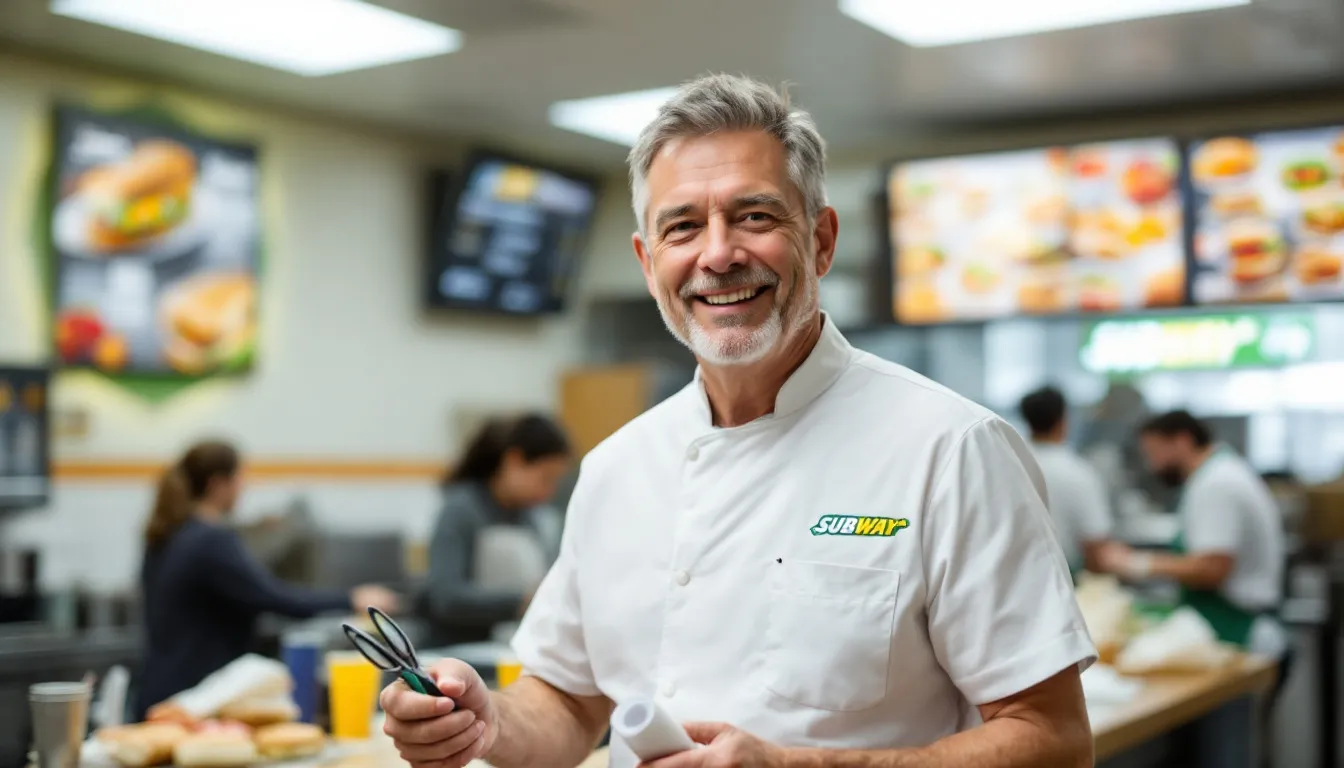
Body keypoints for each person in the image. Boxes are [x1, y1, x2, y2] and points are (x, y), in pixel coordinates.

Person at [381, 74, 1095, 768]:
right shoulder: (615, 469)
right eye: (683, 226)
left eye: (754, 215)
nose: (718, 254)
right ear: (647, 260)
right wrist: (485, 722)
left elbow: (1053, 741)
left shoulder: (952, 450)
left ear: (820, 240)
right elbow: (568, 703)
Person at [135, 440, 399, 719]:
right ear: (217, 484)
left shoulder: (170, 533)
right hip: (193, 699)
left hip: (159, 689)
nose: (243, 487)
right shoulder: (211, 540)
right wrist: (351, 598)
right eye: (239, 478)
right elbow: (276, 598)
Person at [1097, 411, 1287, 656]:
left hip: (1240, 629)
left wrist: (1136, 564)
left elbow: (1212, 568)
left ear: (1182, 441)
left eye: (1154, 453)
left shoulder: (1216, 483)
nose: (1152, 465)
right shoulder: (1219, 472)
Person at [420, 414, 571, 647]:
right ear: (514, 461)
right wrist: (523, 600)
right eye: (545, 478)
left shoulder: (533, 519)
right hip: (457, 650)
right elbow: (446, 597)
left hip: (510, 645)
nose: (548, 491)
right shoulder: (461, 510)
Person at [1019, 385, 1114, 576]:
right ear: (1063, 420)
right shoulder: (1077, 472)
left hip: (1013, 581)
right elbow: (1094, 545)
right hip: (1062, 580)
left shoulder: (1010, 462)